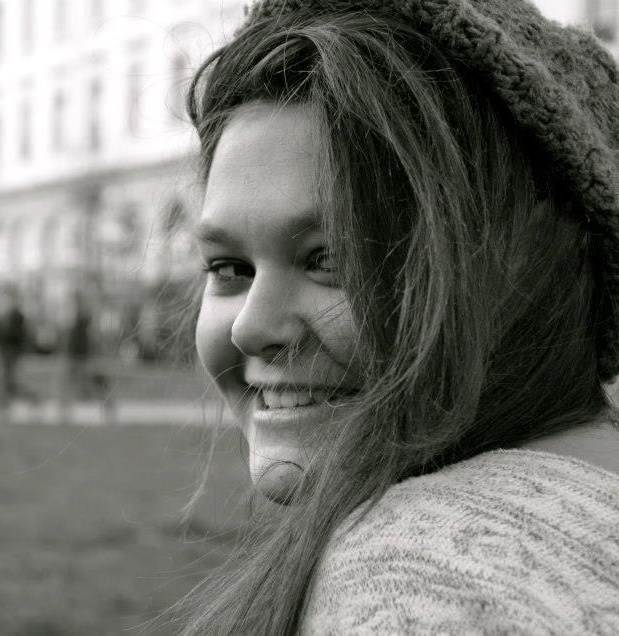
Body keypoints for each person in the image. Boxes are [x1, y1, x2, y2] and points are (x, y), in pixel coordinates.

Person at [176, 1, 619, 633]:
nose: (250, 327)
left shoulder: (415, 584)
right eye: (230, 269)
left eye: (336, 258)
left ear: (523, 265)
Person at [58, 297, 115, 425]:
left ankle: (108, 406)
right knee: (75, 385)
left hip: (81, 359)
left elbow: (87, 342)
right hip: (78, 358)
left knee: (85, 386)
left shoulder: (83, 324)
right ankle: (65, 411)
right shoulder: (81, 325)